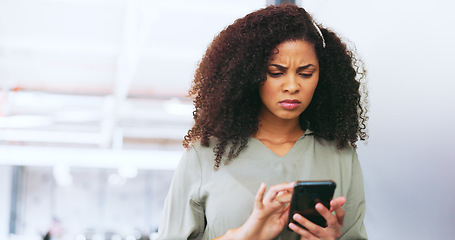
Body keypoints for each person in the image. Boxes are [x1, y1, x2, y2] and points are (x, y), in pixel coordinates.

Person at [157, 4, 368, 240]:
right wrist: (243, 235)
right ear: (250, 75)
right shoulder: (204, 154)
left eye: (306, 73)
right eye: (276, 72)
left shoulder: (341, 155)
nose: (292, 86)